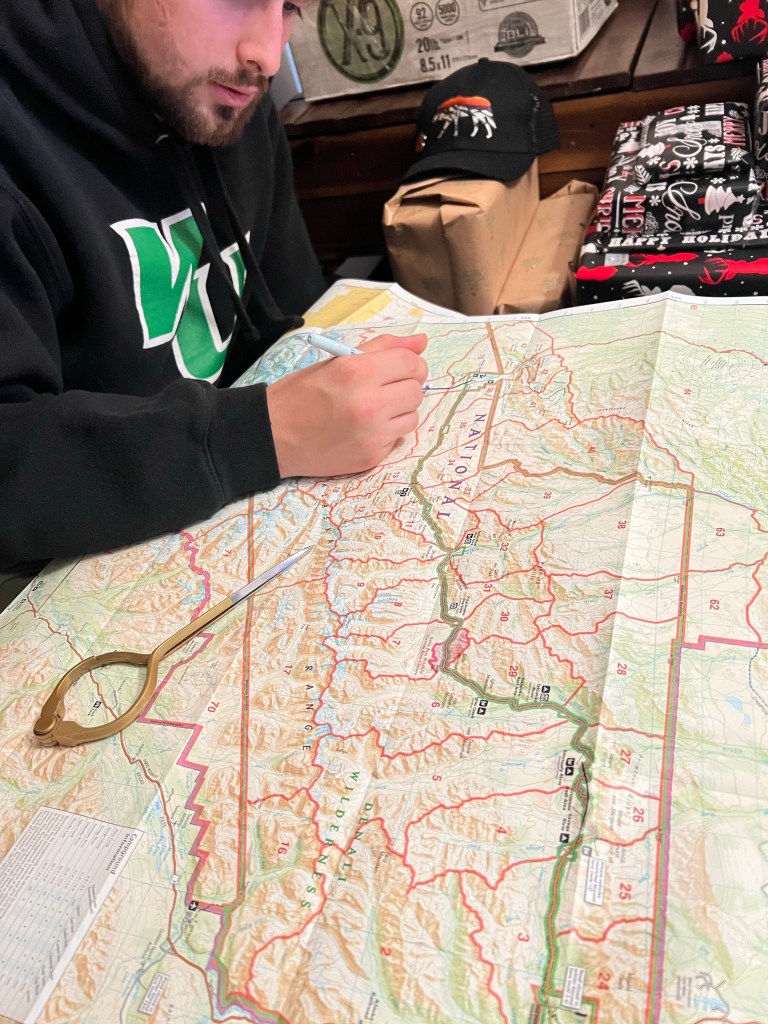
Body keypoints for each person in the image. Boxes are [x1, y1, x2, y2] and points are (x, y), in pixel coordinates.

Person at [0, 0, 429, 581]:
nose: (268, 55)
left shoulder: (228, 100)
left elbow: (291, 312)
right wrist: (264, 434)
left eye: (290, 7)